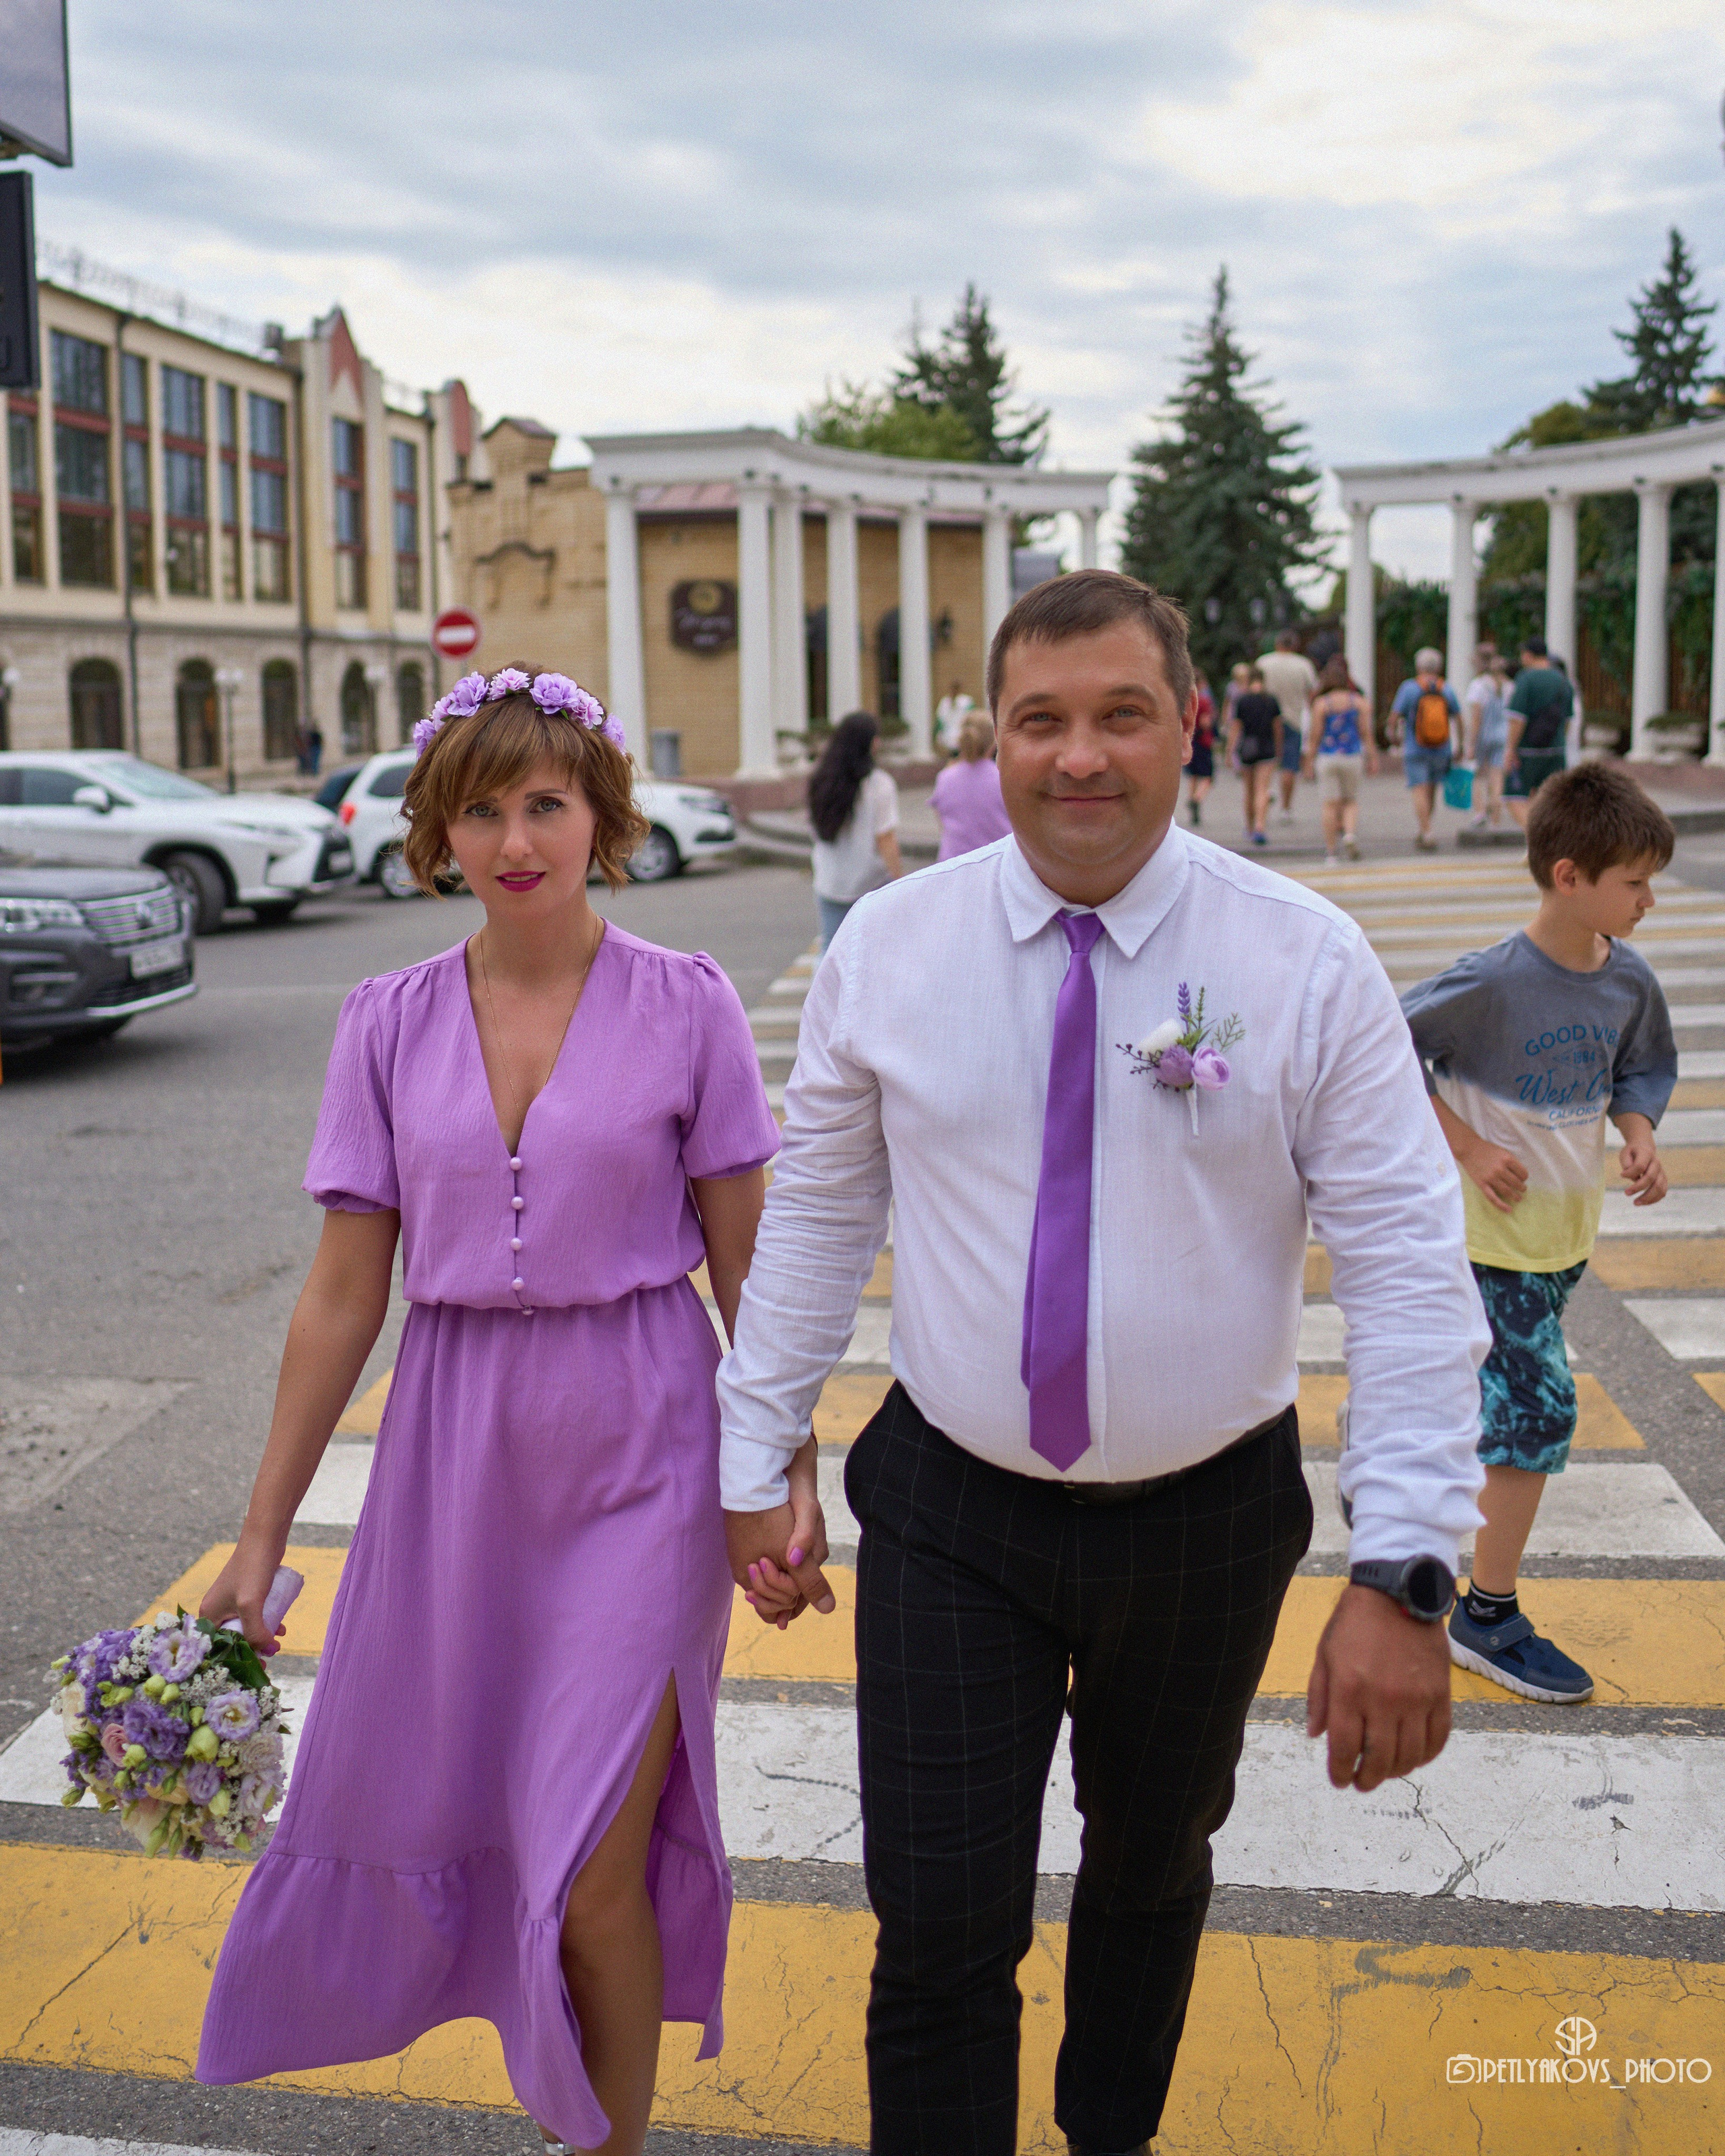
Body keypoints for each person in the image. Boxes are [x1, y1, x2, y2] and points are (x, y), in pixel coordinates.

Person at [719, 569, 1488, 2156]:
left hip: (1205, 1516)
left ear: (1186, 728)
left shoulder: (1301, 958)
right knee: (935, 1919)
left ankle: (1104, 2135)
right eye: (1040, 721)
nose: (1080, 757)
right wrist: (751, 1452)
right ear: (986, 742)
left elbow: (1411, 1272)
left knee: (1149, 1877)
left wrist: (1406, 1570)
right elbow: (813, 1217)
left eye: (1119, 716)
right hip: (951, 1510)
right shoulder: (888, 948)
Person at [194, 667, 790, 2156]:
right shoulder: (384, 1019)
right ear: (437, 834)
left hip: (644, 1445)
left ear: (600, 815)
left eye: (545, 802)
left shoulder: (690, 1002)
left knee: (590, 1863)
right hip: (452, 1463)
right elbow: (343, 1295)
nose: (517, 838)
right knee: (488, 1822)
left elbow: (753, 1276)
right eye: (482, 810)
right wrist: (257, 1540)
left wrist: (784, 1474)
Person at [1401, 763, 1676, 1705]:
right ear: (1570, 876)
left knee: (1491, 1402)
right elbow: (1387, 1051)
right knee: (1539, 1414)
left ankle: (1405, 1493)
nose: (1649, 901)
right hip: (1492, 1244)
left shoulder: (1626, 979)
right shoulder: (1490, 984)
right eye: (1635, 882)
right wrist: (1470, 1147)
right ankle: (1486, 1613)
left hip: (1563, 1242)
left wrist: (1639, 1137)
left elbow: (1640, 1071)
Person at [809, 710, 903, 949]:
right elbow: (886, 840)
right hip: (870, 886)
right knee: (874, 952)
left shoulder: (821, 779)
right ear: (867, 743)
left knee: (831, 950)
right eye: (876, 737)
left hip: (830, 881)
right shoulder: (879, 784)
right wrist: (901, 881)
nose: (879, 743)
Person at [1305, 654, 1378, 864]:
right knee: (1350, 801)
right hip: (1352, 756)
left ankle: (1331, 852)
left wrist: (1309, 761)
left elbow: (1315, 736)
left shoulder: (1321, 704)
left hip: (1327, 758)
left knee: (1329, 805)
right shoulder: (1359, 702)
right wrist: (1372, 758)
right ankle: (1349, 835)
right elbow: (1366, 733)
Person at [1389, 646, 1460, 852]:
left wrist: (1393, 738)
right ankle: (1426, 829)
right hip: (1442, 747)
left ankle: (1426, 831)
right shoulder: (1445, 688)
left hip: (1415, 747)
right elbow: (1459, 717)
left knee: (1419, 788)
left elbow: (1395, 717)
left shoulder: (1409, 688)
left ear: (1419, 666)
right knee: (1431, 790)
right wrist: (1461, 744)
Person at [1504, 635, 1573, 829]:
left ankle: (1534, 840)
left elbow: (1518, 719)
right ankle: (1547, 843)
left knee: (1514, 797)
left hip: (1528, 749)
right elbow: (1567, 720)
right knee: (1549, 799)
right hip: (1556, 749)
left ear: (1528, 655)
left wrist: (1510, 749)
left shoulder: (1526, 679)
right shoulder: (1563, 680)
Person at [931, 711, 1011, 860]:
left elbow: (942, 823)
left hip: (952, 865)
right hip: (996, 863)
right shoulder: (1004, 779)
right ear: (994, 743)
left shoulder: (945, 778)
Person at [1258, 629, 1318, 824]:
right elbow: (1311, 694)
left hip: (1265, 718)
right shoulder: (1303, 665)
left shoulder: (1264, 663)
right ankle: (1286, 807)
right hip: (1293, 718)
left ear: (1277, 644)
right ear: (1294, 646)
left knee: (1266, 761)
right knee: (1290, 765)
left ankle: (1264, 796)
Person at [1228, 664, 1282, 846]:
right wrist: (1279, 749)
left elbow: (1236, 727)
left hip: (1248, 748)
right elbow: (1277, 727)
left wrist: (1230, 752)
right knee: (1262, 789)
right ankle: (1260, 827)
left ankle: (1249, 828)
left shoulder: (1243, 701)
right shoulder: (1271, 700)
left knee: (1248, 790)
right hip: (1267, 748)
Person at [1460, 650, 1512, 831]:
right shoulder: (1509, 686)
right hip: (1503, 735)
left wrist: (1471, 743)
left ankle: (1480, 812)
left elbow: (1476, 717)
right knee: (1497, 777)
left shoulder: (1478, 685)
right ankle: (1496, 818)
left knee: (1475, 775)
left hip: (1483, 735)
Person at [1185, 667, 1216, 827]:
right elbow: (1205, 723)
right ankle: (1197, 799)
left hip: (1189, 740)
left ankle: (1191, 799)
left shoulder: (1183, 700)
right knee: (1208, 777)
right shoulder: (1203, 701)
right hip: (1203, 741)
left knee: (1193, 775)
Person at [935, 681, 976, 757]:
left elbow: (971, 718)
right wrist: (938, 735)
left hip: (962, 733)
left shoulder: (966, 702)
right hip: (948, 735)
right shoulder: (945, 702)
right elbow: (940, 721)